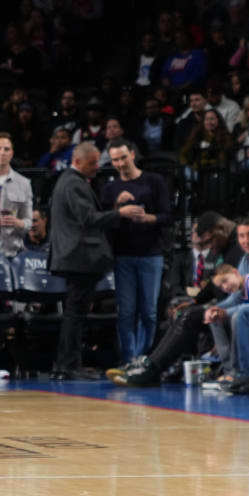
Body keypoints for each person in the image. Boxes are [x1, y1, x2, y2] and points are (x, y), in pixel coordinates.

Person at [47, 141, 134, 379]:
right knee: (75, 315)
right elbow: (87, 218)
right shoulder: (73, 183)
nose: (98, 167)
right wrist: (120, 213)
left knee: (75, 313)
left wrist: (114, 208)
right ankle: (68, 365)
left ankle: (68, 364)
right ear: (77, 162)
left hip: (76, 258)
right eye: (92, 163)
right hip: (79, 258)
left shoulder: (70, 181)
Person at [98, 139, 170, 366]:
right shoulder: (110, 188)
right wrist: (116, 209)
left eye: (123, 157)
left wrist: (148, 218)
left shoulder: (154, 181)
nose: (119, 163)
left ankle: (143, 356)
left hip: (151, 254)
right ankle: (129, 358)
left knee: (148, 311)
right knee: (126, 311)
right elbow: (103, 222)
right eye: (115, 160)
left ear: (132, 153)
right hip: (123, 255)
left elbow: (168, 216)